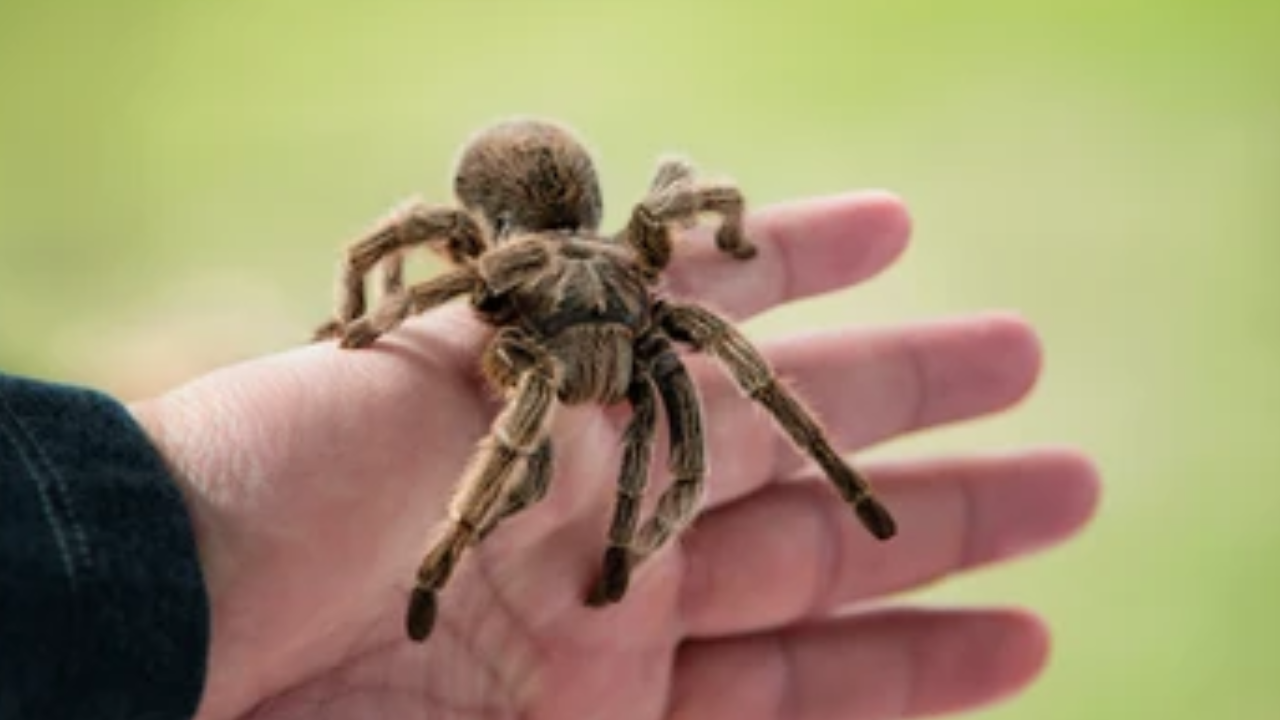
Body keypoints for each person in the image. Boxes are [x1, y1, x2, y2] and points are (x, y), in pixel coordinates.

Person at [0, 191, 1099, 720]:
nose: (599, 391)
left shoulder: (645, 308)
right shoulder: (486, 275)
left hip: (606, 305)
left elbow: (697, 249)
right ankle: (443, 558)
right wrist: (366, 329)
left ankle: (781, 498)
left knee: (697, 390)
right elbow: (394, 259)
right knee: (530, 413)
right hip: (536, 302)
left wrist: (835, 472)